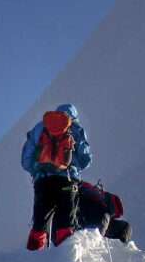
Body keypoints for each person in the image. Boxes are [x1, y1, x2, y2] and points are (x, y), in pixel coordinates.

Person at [21, 103, 92, 250]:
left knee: (40, 222)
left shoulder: (41, 128)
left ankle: (35, 257)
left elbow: (26, 160)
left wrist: (38, 171)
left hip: (43, 182)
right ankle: (64, 261)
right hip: (67, 180)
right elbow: (85, 160)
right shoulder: (75, 128)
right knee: (65, 223)